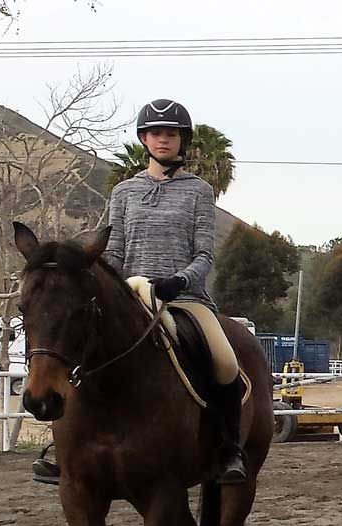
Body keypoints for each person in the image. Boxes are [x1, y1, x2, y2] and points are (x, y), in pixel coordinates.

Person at [32, 99, 248, 486]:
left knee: (225, 362)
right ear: (144, 139)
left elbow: (204, 252)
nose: (163, 140)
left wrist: (180, 281)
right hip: (129, 296)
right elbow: (113, 251)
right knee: (78, 351)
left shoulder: (197, 191)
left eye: (171, 134)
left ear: (182, 140)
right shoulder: (126, 191)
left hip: (183, 298)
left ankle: (228, 448)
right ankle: (62, 447)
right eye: (155, 133)